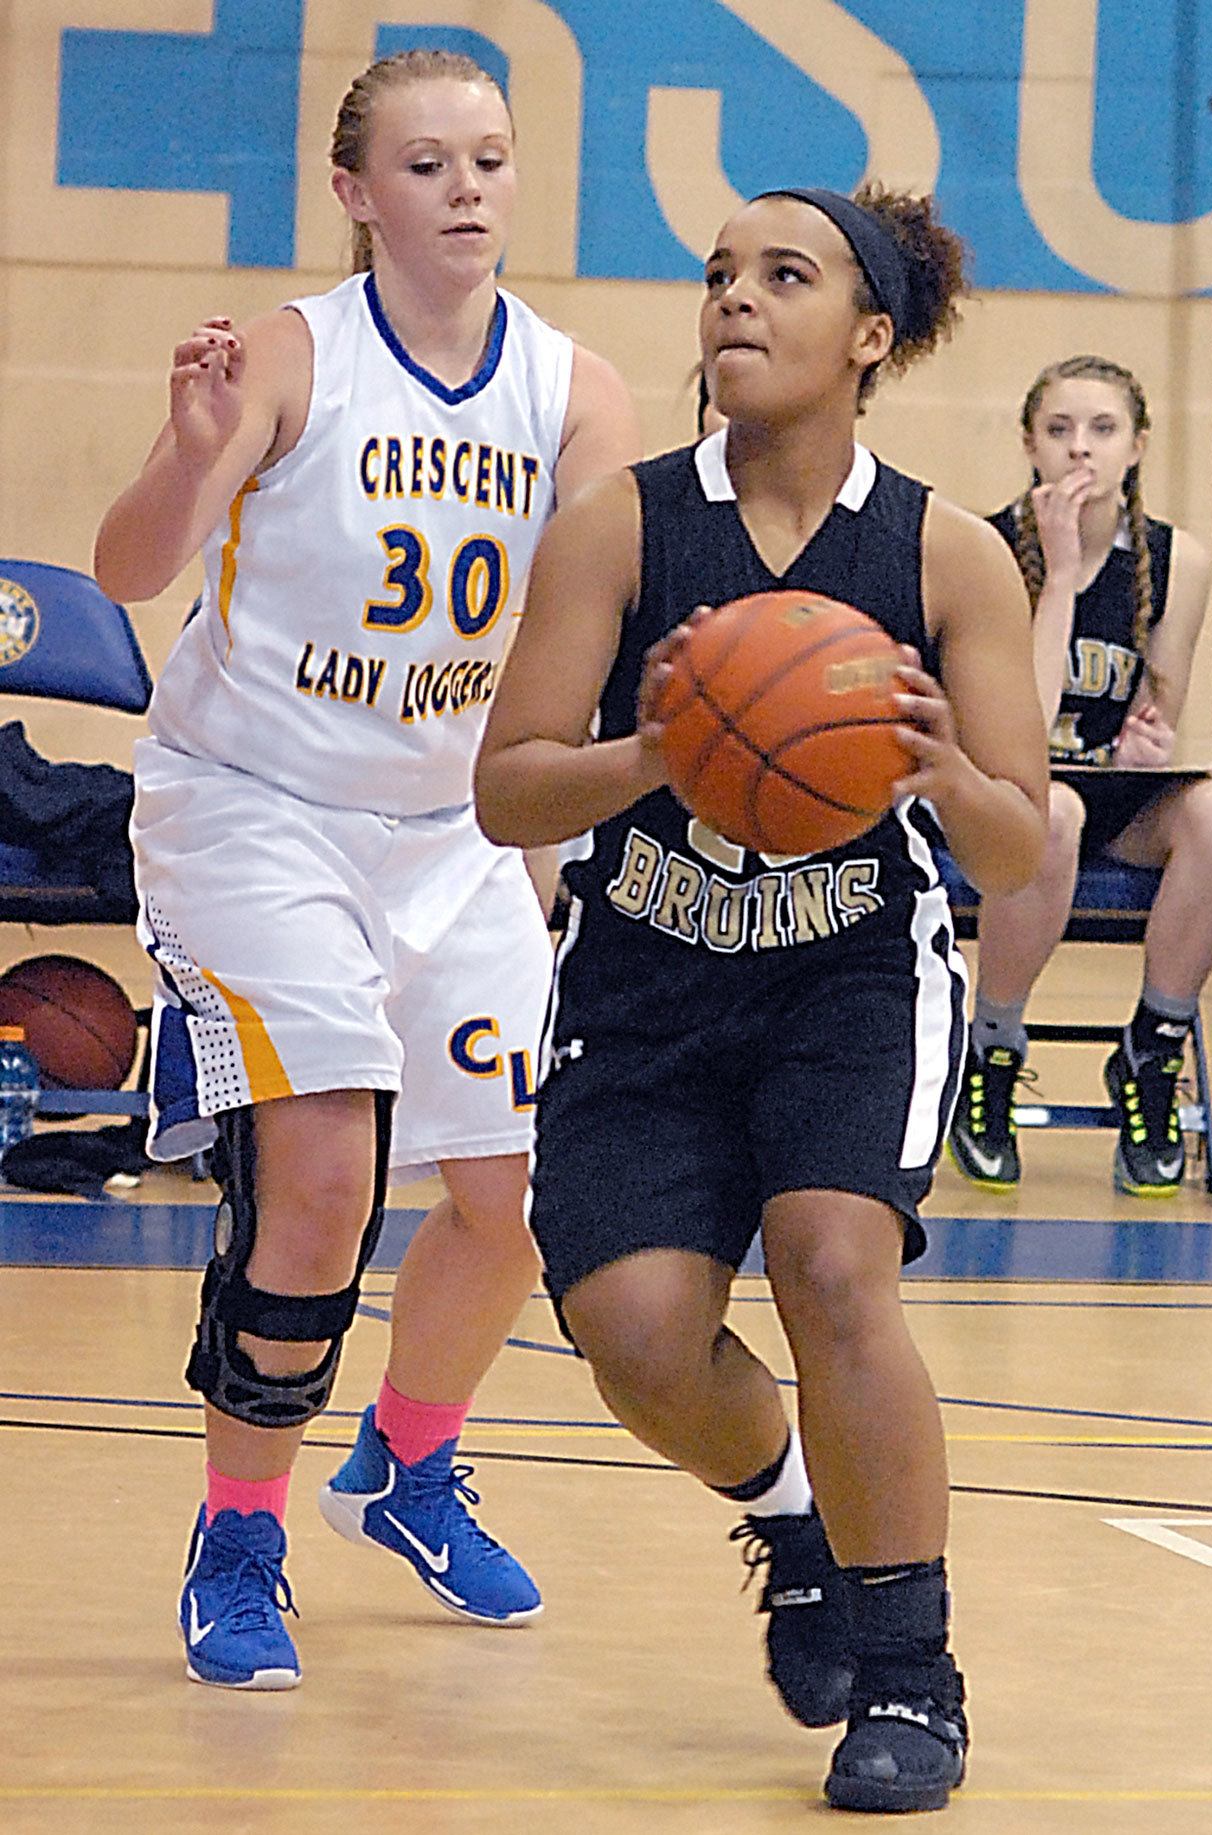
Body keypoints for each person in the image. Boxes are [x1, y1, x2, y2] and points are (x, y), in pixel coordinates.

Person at [474, 184, 1049, 1815]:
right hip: (647, 982)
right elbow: (508, 791)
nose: (734, 299)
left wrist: (937, 761)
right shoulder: (623, 523)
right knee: (640, 1336)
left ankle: (911, 1678)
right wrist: (659, 753)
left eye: (781, 276)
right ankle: (792, 1513)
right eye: (720, 274)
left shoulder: (943, 553)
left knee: (831, 1265)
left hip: (848, 980)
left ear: (871, 336)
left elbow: (1014, 841)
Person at [93, 47, 640, 1691]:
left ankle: (402, 1467)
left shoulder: (574, 389)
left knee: (519, 1198)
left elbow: (590, 628)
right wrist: (193, 452)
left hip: (455, 827)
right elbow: (131, 568)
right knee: (323, 1180)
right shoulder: (289, 356)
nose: (466, 187)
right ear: (353, 193)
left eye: (489, 157)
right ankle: (239, 1529)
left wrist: (555, 832)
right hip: (257, 808)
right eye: (425, 162)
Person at [948, 355, 1212, 1195]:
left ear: (1137, 445)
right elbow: (1023, 717)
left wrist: (1151, 744)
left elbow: (1160, 707)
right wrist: (1064, 578)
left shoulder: (1176, 559)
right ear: (1028, 444)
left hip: (1113, 793)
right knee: (1052, 815)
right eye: (1059, 429)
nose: (1080, 449)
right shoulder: (982, 547)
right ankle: (993, 1049)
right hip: (1006, 791)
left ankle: (1153, 1048)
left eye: (1103, 429)